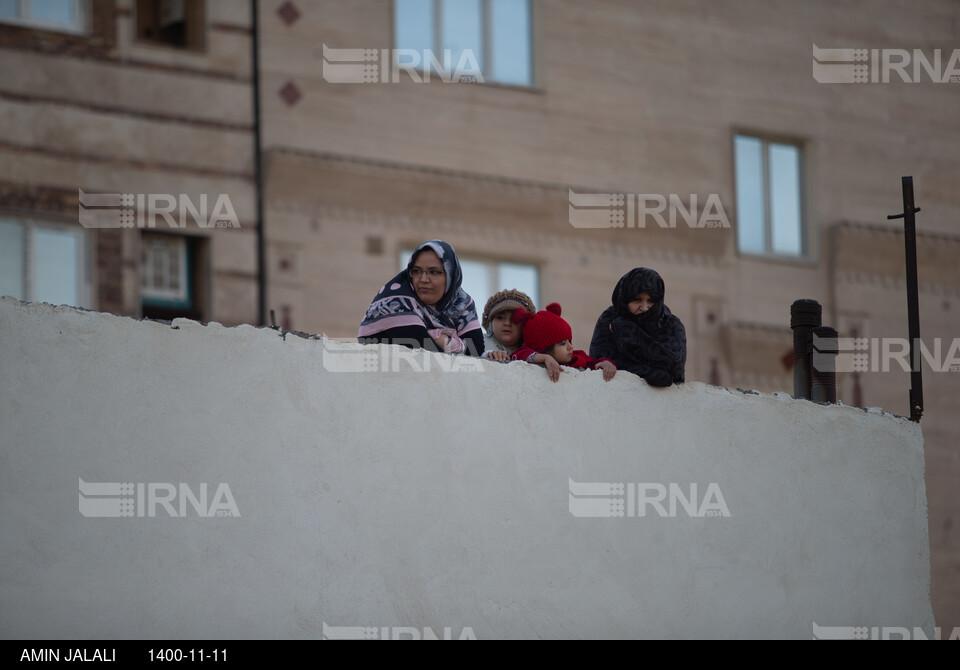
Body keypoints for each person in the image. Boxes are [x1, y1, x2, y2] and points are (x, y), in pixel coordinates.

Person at [358, 240, 484, 355]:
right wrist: (455, 343)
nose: (423, 279)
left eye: (434, 272)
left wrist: (443, 340)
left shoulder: (460, 302)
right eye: (417, 271)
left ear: (450, 276)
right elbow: (426, 352)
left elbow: (476, 350)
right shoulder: (395, 301)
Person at [589, 267, 686, 387]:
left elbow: (675, 366)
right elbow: (598, 364)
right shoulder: (609, 318)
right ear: (625, 298)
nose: (644, 307)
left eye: (651, 301)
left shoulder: (669, 324)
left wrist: (626, 331)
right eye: (637, 300)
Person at [510, 303, 617, 383]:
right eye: (562, 343)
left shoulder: (578, 356)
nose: (570, 347)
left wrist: (606, 362)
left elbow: (595, 362)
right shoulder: (530, 356)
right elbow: (517, 355)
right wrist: (544, 358)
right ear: (544, 348)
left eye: (569, 341)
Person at [480, 289, 536, 362]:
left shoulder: (536, 352)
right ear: (490, 322)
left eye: (515, 319)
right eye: (500, 318)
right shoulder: (477, 343)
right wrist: (486, 355)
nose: (507, 323)